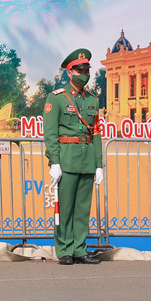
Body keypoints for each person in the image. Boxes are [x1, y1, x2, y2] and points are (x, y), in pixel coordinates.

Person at [43, 48, 104, 265]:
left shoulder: (93, 100)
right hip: (67, 160)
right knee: (65, 209)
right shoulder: (57, 98)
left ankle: (79, 249)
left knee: (82, 210)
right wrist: (54, 162)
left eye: (86, 70)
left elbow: (96, 133)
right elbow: (50, 133)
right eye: (79, 70)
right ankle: (65, 250)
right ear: (69, 72)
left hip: (87, 161)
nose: (84, 74)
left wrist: (99, 164)